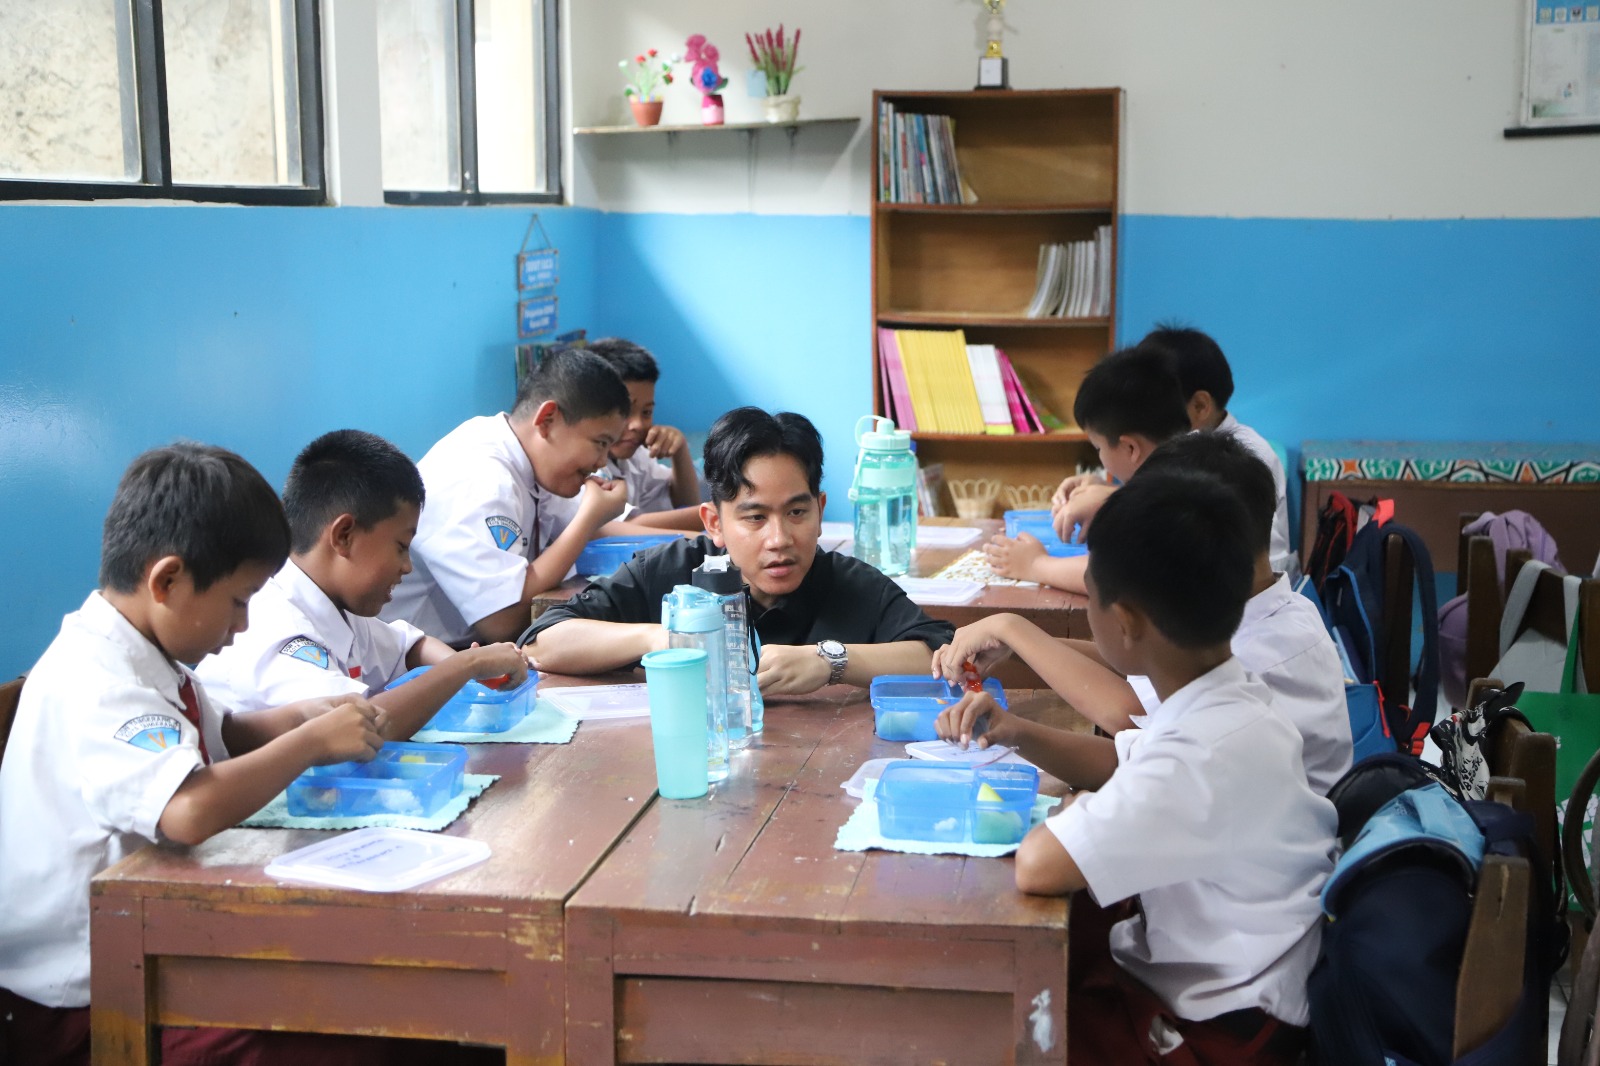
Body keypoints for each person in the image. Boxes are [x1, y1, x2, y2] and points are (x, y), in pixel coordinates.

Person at [0, 444, 389, 1066]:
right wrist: (309, 743)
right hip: (79, 1000)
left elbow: (223, 736)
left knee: (358, 991)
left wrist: (297, 718)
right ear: (168, 580)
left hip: (147, 945)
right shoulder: (97, 679)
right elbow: (186, 808)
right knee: (333, 1042)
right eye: (238, 601)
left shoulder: (147, 655)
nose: (241, 627)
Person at [937, 471, 1336, 1065]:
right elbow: (1125, 756)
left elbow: (1038, 866)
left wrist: (1077, 810)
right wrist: (1012, 730)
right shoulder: (1234, 698)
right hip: (1245, 982)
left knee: (983, 1022)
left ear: (1123, 621)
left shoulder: (1198, 752)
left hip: (1220, 1028)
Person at [938, 432, 1351, 794]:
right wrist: (1023, 647)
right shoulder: (1273, 609)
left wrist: (1016, 630)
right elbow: (1141, 683)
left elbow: (1129, 714)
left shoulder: (1259, 653)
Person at [523, 407, 953, 695]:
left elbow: (940, 654)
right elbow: (545, 640)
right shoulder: (670, 571)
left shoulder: (851, 584)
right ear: (715, 523)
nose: (779, 538)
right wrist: (668, 636)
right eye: (754, 517)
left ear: (820, 512)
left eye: (797, 512)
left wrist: (830, 661)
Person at [197, 430, 527, 734]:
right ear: (344, 536)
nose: (407, 567)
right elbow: (361, 729)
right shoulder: (275, 629)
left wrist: (468, 668)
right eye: (400, 546)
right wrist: (467, 665)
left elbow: (410, 648)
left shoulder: (339, 610)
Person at [383, 347, 631, 645]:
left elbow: (601, 528)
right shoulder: (480, 476)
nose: (602, 461)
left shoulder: (532, 461)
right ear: (547, 419)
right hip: (416, 664)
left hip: (464, 652)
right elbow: (501, 621)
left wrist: (690, 537)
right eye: (600, 443)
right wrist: (589, 517)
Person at [987, 346, 1190, 594]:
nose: (1100, 458)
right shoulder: (1191, 465)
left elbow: (1116, 576)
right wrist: (1109, 493)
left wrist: (1035, 564)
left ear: (1130, 448)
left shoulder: (1173, 503)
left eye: (1098, 447)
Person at [1139, 323, 1295, 575]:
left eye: (1154, 406)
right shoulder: (1188, 447)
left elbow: (1264, 566)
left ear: (1200, 406)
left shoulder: (1241, 458)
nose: (1143, 419)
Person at [542, 338, 704, 535]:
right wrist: (717, 514)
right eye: (625, 411)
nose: (637, 425)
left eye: (646, 412)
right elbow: (627, 526)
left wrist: (680, 451)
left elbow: (684, 505)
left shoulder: (635, 456)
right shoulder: (585, 463)